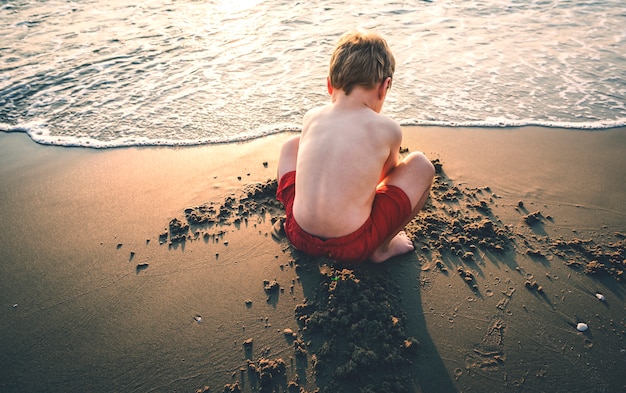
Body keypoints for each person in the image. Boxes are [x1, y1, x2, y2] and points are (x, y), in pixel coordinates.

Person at [276, 30, 435, 264]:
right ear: (384, 86)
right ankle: (382, 248)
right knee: (422, 164)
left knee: (291, 145)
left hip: (298, 233)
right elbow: (385, 179)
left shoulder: (312, 116)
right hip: (352, 244)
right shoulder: (387, 128)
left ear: (329, 85)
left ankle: (295, 214)